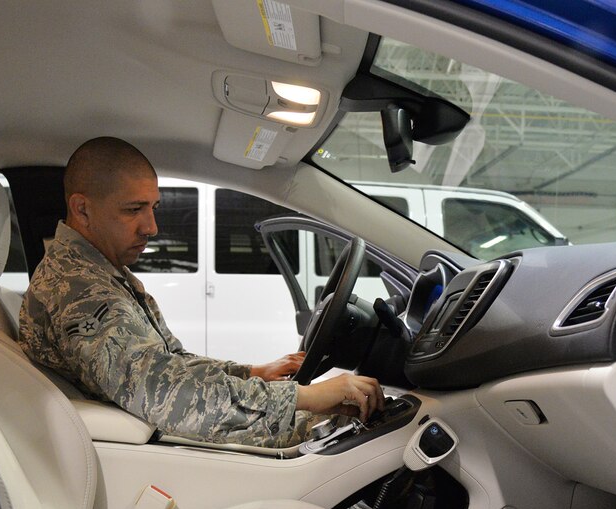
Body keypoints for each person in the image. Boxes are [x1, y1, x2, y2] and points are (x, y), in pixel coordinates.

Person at [19, 137, 384, 447]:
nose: (152, 226)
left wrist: (252, 372)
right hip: (160, 451)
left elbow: (170, 364)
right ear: (82, 209)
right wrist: (307, 397)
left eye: (154, 208)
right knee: (358, 432)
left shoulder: (99, 271)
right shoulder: (76, 287)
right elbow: (160, 391)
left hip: (164, 438)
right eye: (134, 210)